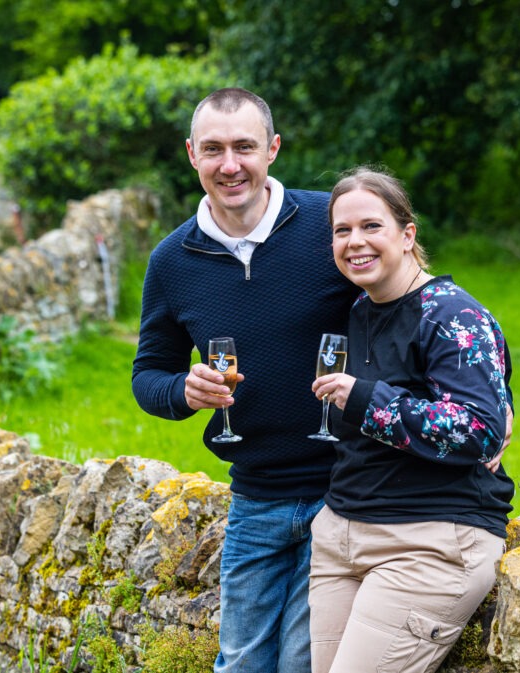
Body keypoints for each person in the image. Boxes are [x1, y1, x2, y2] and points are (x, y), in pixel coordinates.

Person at [131, 88, 358, 673]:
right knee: (240, 663)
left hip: (344, 491)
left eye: (244, 147)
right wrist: (182, 391)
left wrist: (494, 393)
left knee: (302, 664)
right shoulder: (171, 261)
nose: (229, 164)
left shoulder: (331, 224)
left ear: (273, 149)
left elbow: (427, 302)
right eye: (213, 149)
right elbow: (147, 376)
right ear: (191, 155)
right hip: (255, 496)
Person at [308, 167, 515, 673]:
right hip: (341, 537)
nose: (355, 241)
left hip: (428, 541)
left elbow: (479, 430)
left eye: (371, 226)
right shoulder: (359, 307)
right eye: (342, 230)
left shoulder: (450, 313)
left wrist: (365, 399)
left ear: (407, 234)